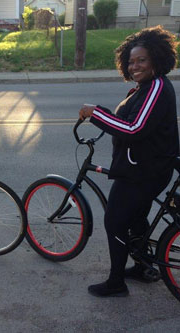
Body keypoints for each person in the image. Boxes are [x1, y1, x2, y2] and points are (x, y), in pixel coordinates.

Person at [78, 26, 179, 297]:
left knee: (115, 222)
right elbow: (129, 122)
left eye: (141, 60)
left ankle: (116, 282)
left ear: (156, 59)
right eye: (131, 61)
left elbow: (134, 129)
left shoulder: (156, 87)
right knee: (136, 218)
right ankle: (143, 267)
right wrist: (106, 114)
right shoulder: (145, 87)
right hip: (142, 167)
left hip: (143, 172)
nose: (135, 65)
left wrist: (96, 113)